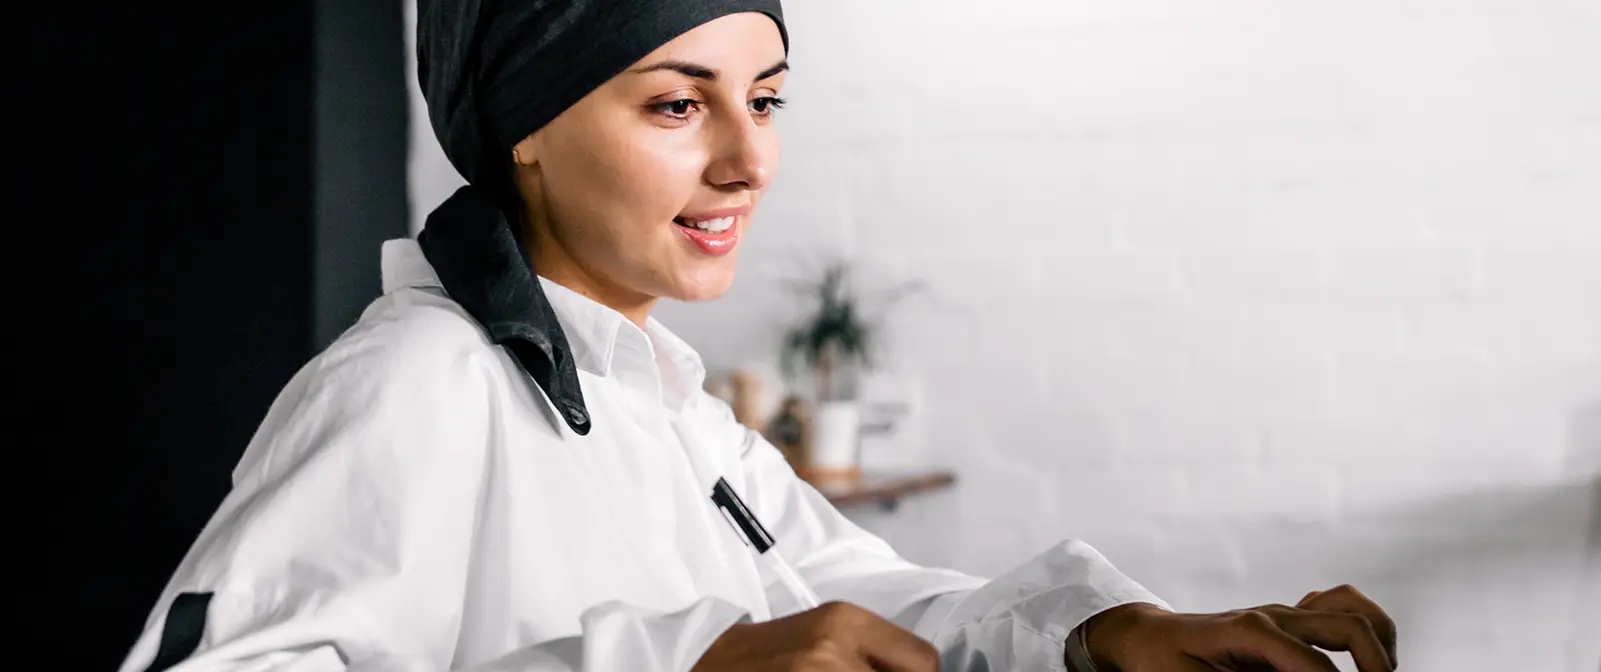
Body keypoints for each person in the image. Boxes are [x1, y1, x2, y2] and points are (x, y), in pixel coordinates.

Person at [118, 2, 1400, 671]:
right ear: (525, 127)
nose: (749, 161)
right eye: (678, 106)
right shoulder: (418, 384)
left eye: (767, 99)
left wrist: (1100, 634)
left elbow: (860, 608)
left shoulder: (675, 412)